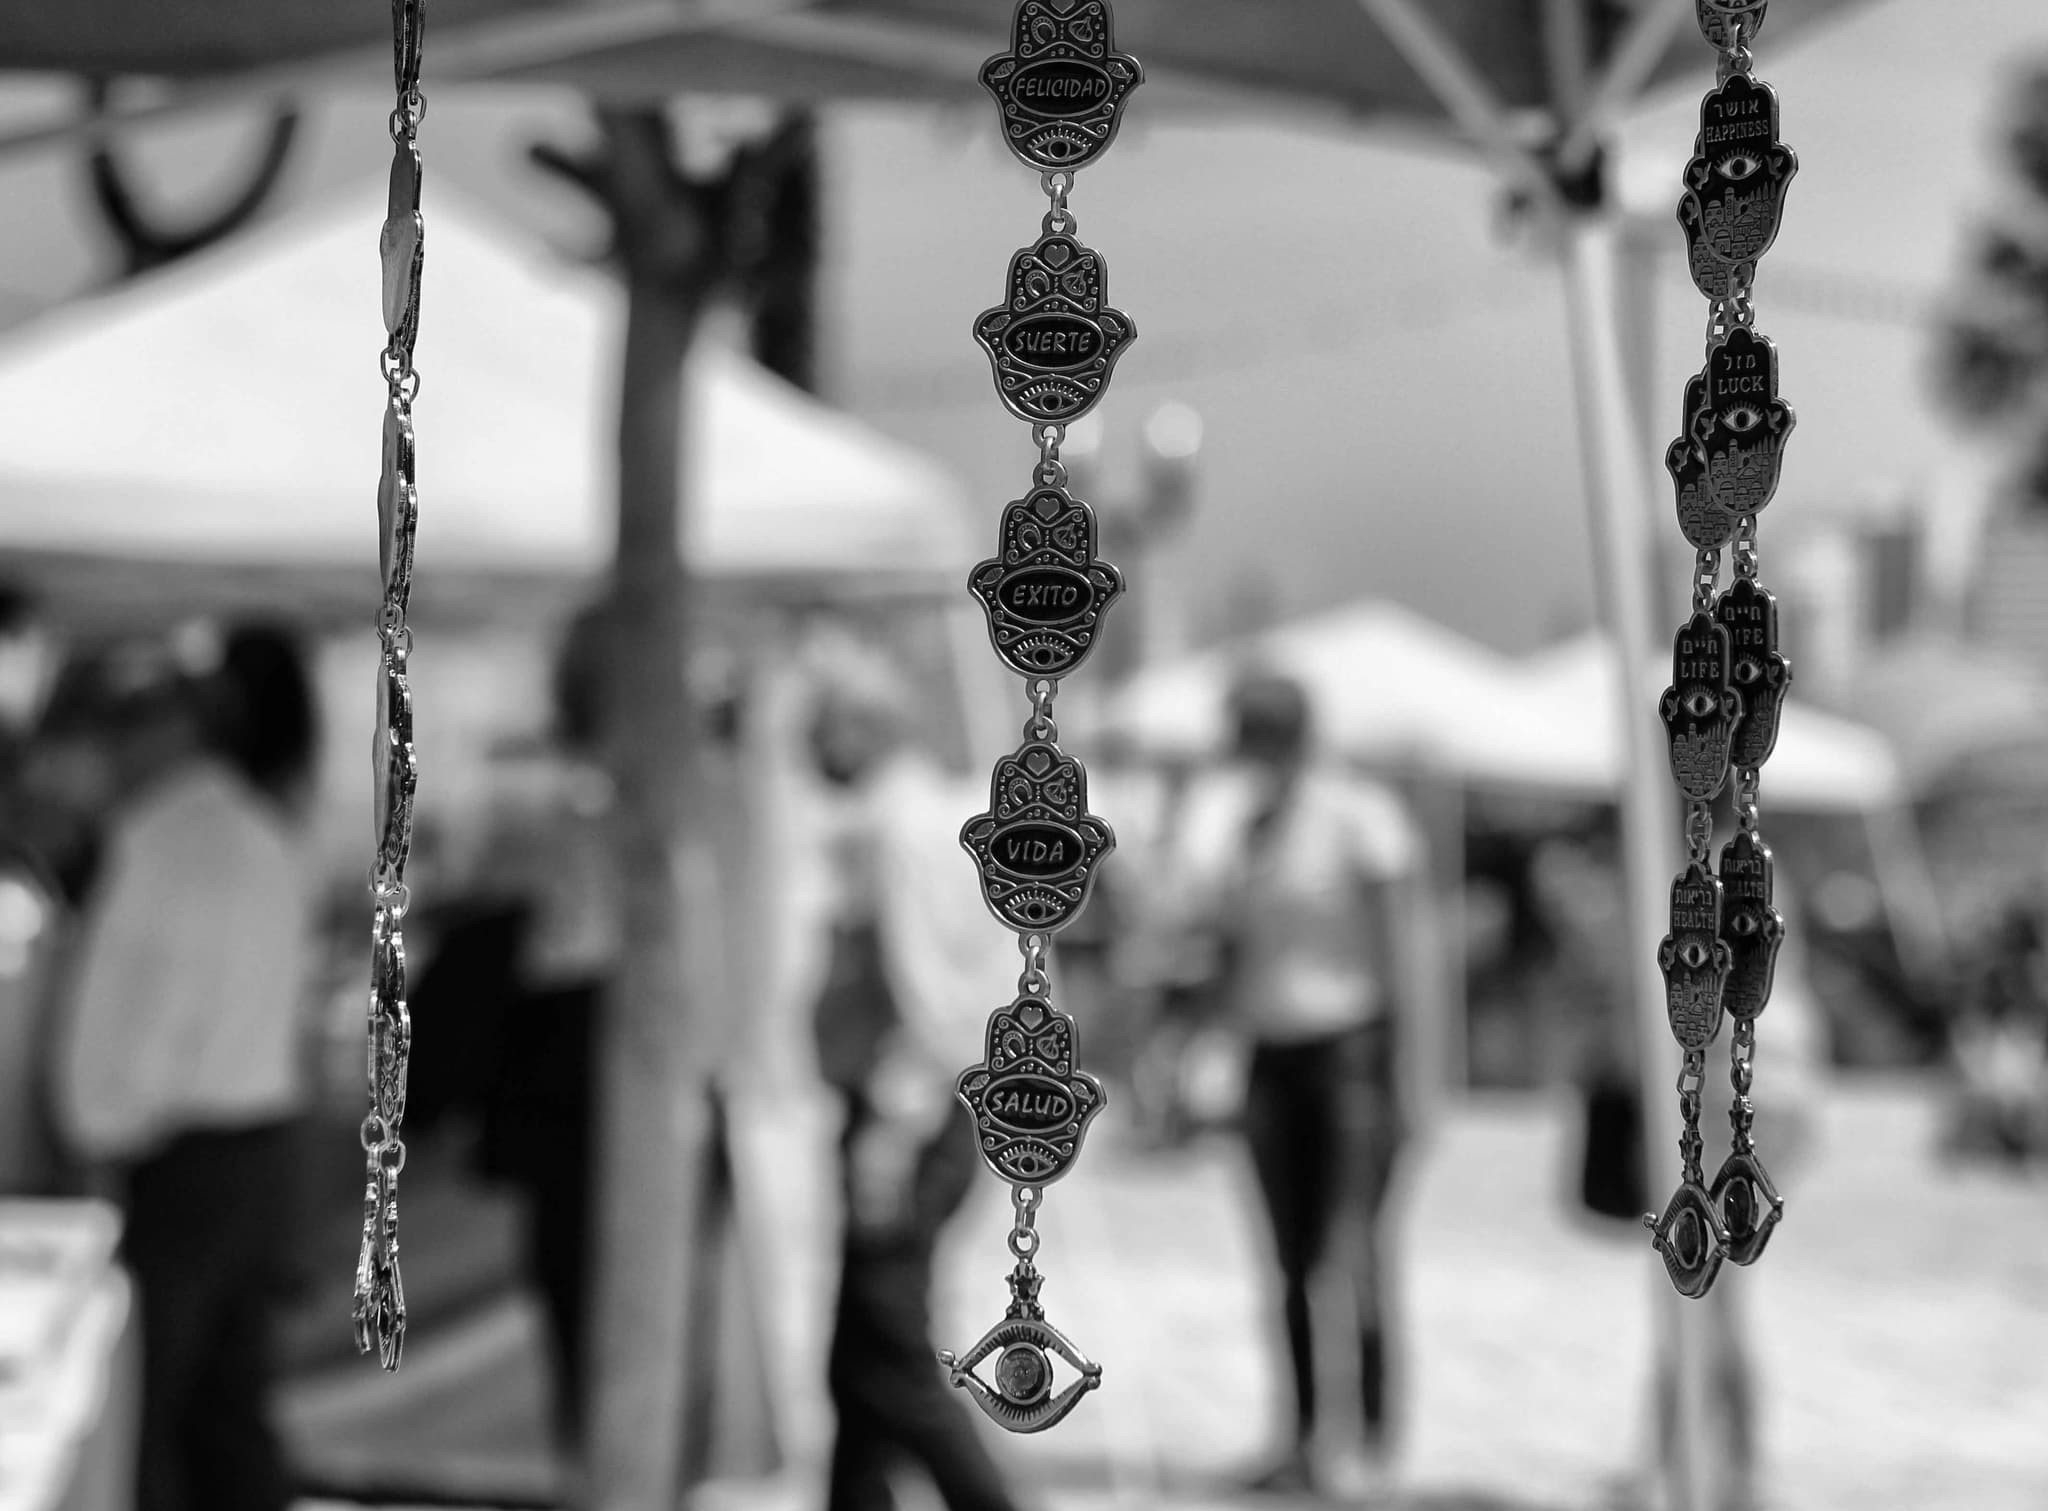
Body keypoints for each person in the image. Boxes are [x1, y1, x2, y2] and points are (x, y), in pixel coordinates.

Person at [51, 623, 319, 1511]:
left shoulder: (169, 841)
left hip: (187, 1160)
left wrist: (99, 1136)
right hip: (248, 1149)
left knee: (148, 1414)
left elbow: (134, 1032)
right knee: (221, 1411)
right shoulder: (255, 831)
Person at [1170, 668, 1422, 1495]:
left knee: (1349, 1251)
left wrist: (1417, 1077)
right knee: (1286, 1256)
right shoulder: (1248, 830)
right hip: (1272, 1057)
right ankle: (1304, 1433)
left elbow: (1407, 953)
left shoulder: (1360, 817)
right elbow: (1231, 952)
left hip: (1350, 1051)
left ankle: (1369, 1440)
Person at [803, 642, 1026, 1511]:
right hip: (918, 1105)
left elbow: (928, 1001)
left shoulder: (899, 832)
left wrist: (890, 1133)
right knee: (857, 1359)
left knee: (889, 1352)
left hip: (913, 1110)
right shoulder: (927, 819)